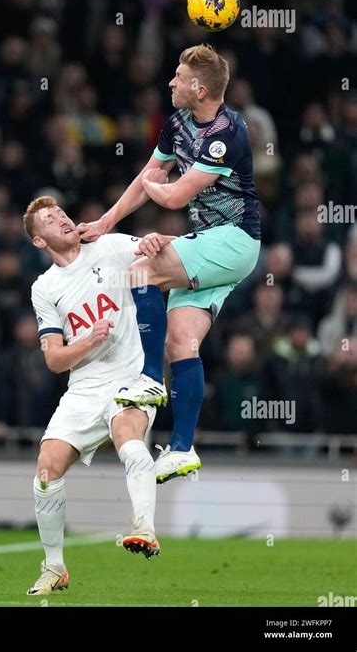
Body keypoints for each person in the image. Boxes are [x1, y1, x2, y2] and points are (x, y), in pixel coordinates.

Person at [78, 44, 261, 483]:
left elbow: (173, 194)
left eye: (178, 77)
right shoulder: (177, 124)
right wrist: (107, 220)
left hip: (235, 241)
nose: (171, 82)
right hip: (210, 246)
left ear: (199, 88)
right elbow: (150, 179)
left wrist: (155, 183)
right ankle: (181, 449)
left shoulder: (228, 132)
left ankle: (146, 379)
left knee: (141, 267)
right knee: (180, 342)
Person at [23, 195, 160, 597]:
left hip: (130, 375)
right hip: (83, 386)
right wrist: (86, 341)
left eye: (62, 212)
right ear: (39, 241)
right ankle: (54, 567)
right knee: (47, 469)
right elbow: (53, 360)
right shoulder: (44, 288)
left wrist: (156, 241)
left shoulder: (109, 246)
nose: (63, 219)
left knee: (129, 439)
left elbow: (165, 249)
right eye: (50, 220)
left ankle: (145, 528)